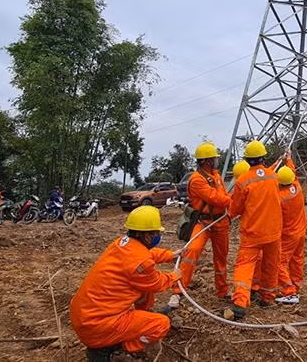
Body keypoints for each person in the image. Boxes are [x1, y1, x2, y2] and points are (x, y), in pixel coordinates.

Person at [69, 206, 180, 361]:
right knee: (161, 324)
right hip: (98, 327)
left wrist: (170, 255)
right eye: (156, 233)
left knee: (144, 292)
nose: (158, 236)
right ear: (147, 236)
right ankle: (119, 349)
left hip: (84, 317)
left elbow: (146, 254)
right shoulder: (141, 263)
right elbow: (156, 282)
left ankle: (139, 320)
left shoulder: (121, 244)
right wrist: (174, 276)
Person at [167, 142, 232, 309]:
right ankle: (177, 291)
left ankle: (222, 291)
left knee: (221, 257)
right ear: (207, 161)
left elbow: (223, 196)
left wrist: (228, 201)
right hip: (203, 222)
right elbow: (218, 199)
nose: (217, 161)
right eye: (214, 159)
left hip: (220, 221)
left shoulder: (216, 176)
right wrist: (232, 199)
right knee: (192, 251)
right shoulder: (196, 180)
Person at [224, 140, 282, 320]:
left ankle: (240, 303)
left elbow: (236, 208)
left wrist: (228, 215)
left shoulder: (243, 180)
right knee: (271, 265)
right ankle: (268, 298)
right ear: (263, 157)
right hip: (273, 231)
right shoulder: (273, 177)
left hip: (252, 233)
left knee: (245, 266)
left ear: (247, 160)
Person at [274, 158, 307, 305]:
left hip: (289, 235)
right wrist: (288, 158)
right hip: (301, 231)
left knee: (279, 262)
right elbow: (292, 171)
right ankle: (296, 285)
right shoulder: (297, 185)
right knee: (297, 260)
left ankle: (289, 292)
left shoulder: (280, 198)